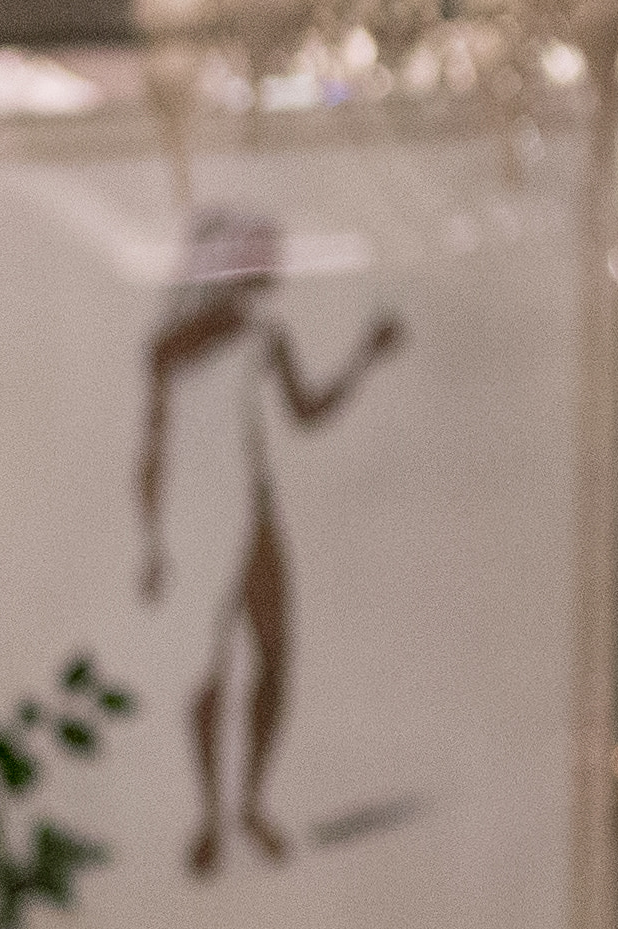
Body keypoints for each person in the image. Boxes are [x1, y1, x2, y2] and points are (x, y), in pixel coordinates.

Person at [137, 203, 404, 881]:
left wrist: (362, 360)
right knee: (209, 666)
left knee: (272, 657)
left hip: (253, 518)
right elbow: (154, 447)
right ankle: (210, 812)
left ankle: (248, 800)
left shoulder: (261, 335)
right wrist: (151, 539)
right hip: (202, 518)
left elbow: (304, 412)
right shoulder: (176, 346)